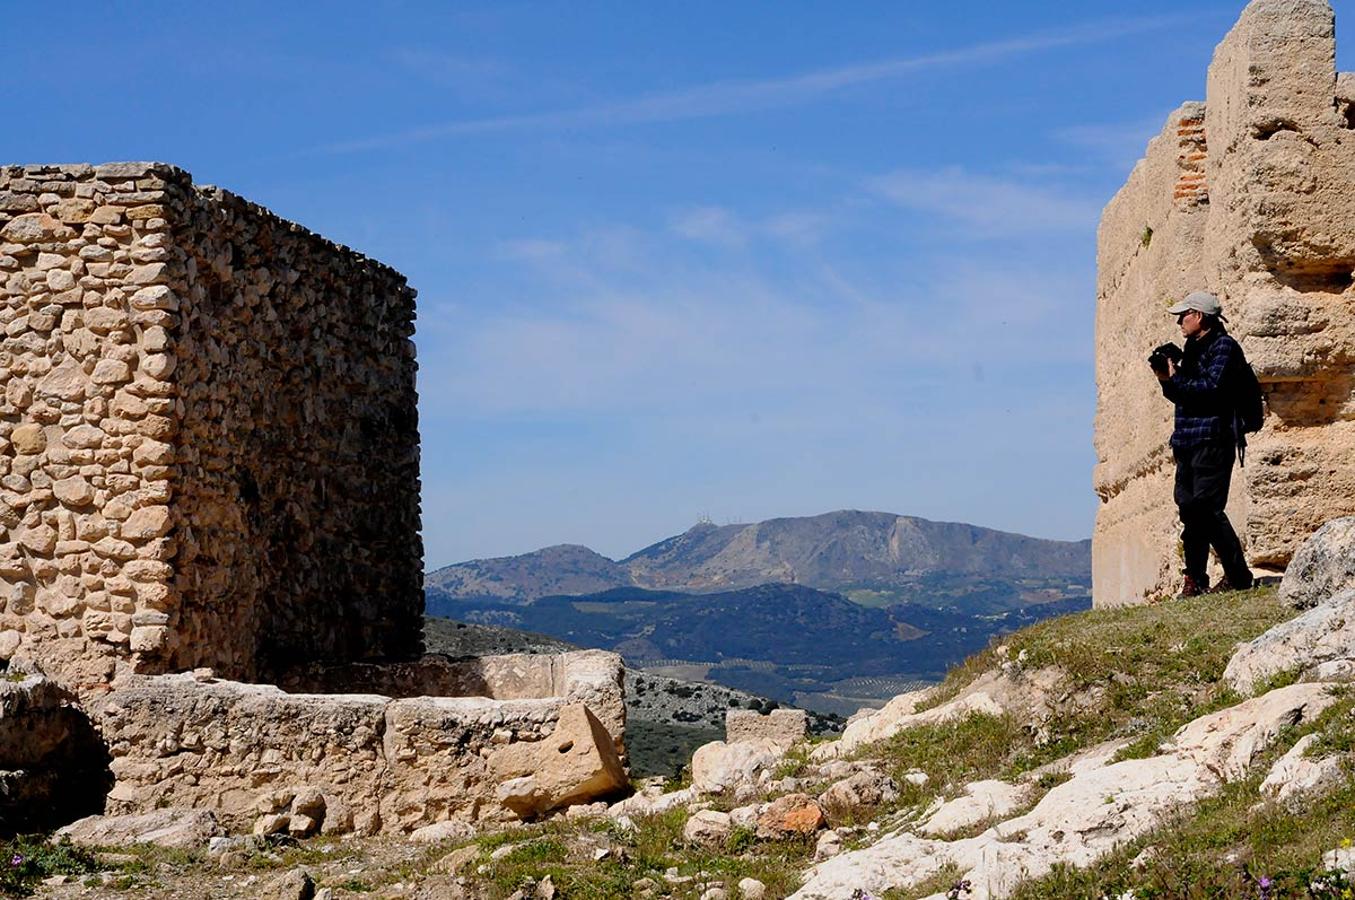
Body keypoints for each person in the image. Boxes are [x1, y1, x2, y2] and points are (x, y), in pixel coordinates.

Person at [1152, 291, 1254, 597]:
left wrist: (1177, 378)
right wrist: (1166, 379)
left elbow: (1211, 390)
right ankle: (1194, 580)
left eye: (1184, 315)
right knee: (1190, 511)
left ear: (1200, 316)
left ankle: (1238, 575)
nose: (1180, 322)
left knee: (1207, 510)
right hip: (1187, 441)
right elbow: (1184, 395)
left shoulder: (1225, 347)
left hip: (1214, 437)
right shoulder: (1192, 349)